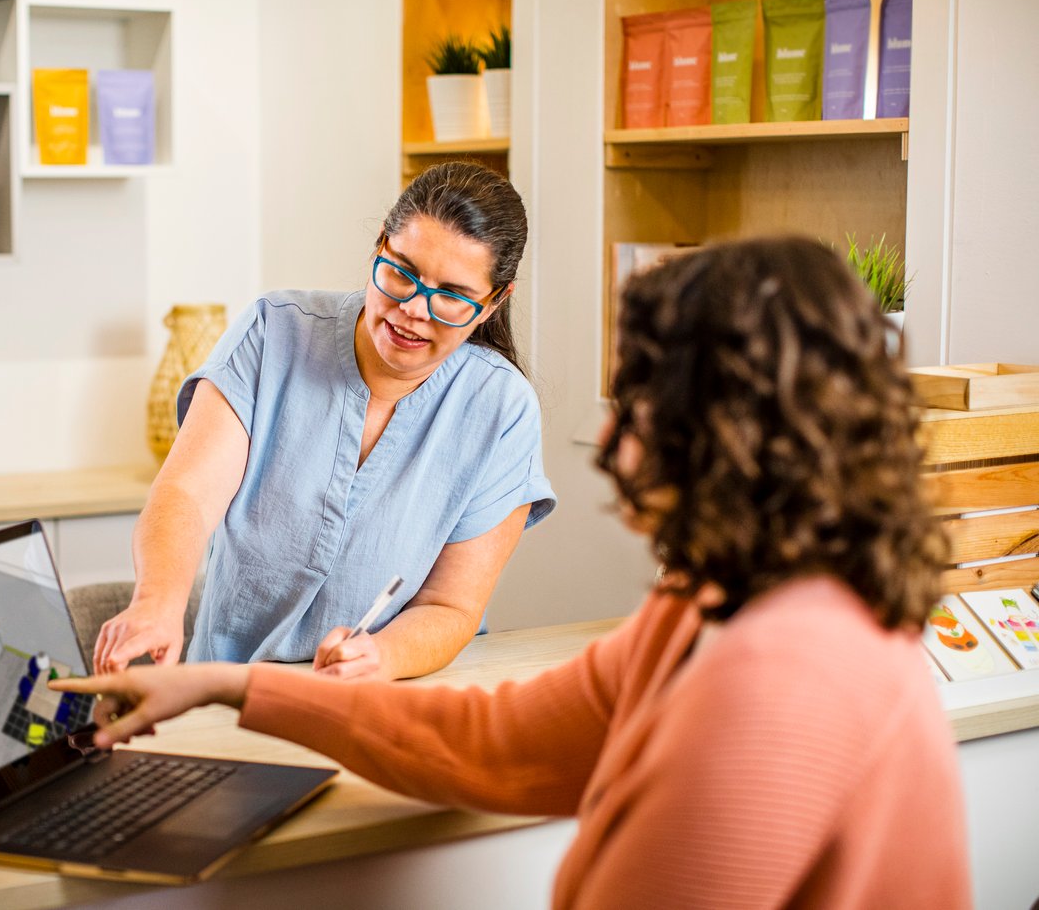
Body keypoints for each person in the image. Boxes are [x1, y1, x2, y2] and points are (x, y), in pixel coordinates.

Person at [55, 236, 971, 907]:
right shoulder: (706, 610)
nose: (610, 437)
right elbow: (496, 743)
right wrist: (224, 681)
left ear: (736, 435)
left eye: (641, 403)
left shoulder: (782, 681)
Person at [93, 162, 556, 679]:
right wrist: (157, 603)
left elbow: (451, 607)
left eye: (451, 296)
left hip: (385, 698)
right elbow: (185, 495)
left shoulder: (501, 409)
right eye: (400, 273)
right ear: (380, 244)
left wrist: (381, 657)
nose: (413, 311)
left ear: (494, 301)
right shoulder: (273, 332)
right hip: (226, 693)